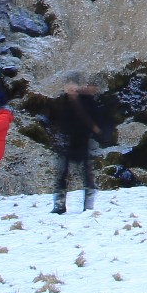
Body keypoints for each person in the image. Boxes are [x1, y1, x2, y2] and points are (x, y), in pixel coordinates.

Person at [49, 73, 116, 214]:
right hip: (67, 143)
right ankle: (59, 205)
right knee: (62, 174)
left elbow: (96, 118)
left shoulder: (86, 101)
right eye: (68, 85)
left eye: (73, 85)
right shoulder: (63, 101)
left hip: (83, 141)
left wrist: (100, 132)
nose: (70, 88)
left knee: (86, 174)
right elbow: (58, 120)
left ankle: (88, 205)